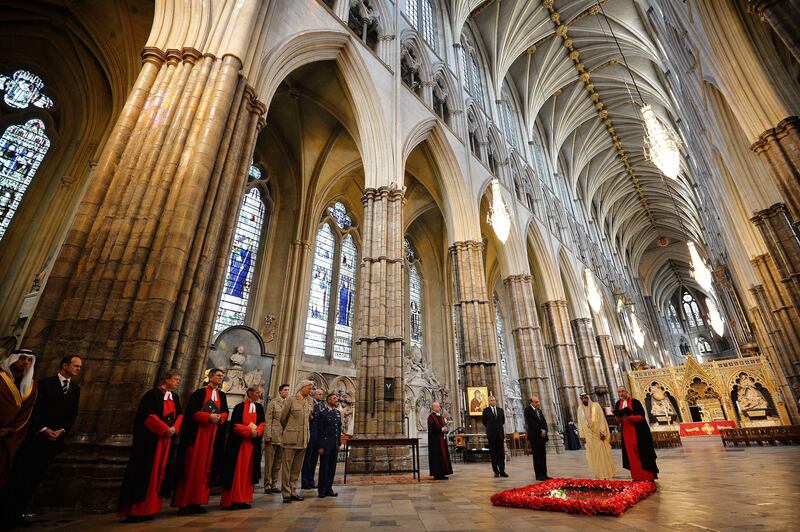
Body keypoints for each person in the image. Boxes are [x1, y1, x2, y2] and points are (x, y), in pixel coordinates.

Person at [6, 355, 81, 524]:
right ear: (65, 365)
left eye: (79, 367)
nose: (78, 369)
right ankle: (10, 511)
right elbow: (34, 409)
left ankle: (22, 510)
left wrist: (62, 430)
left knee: (37, 475)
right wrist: (44, 429)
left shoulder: (75, 389)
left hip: (56, 439)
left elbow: (72, 414)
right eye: (75, 365)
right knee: (23, 474)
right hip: (37, 437)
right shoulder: (45, 384)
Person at [117, 368, 183, 522]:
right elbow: (148, 416)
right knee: (146, 473)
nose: (177, 382)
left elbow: (180, 414)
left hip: (166, 441)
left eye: (179, 380)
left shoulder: (175, 397)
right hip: (151, 442)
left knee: (159, 474)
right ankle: (136, 511)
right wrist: (164, 429)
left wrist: (174, 428)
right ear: (166, 379)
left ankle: (150, 509)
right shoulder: (152, 395)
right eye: (175, 379)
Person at [172, 368, 229, 514]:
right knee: (191, 468)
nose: (220, 378)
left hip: (213, 437)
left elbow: (225, 412)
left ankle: (198, 501)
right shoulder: (200, 393)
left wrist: (220, 417)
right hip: (198, 437)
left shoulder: (222, 395)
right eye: (218, 375)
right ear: (210, 377)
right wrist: (207, 417)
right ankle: (184, 503)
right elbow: (191, 413)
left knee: (206, 469)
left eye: (222, 376)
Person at [220, 385, 265, 510]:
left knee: (248, 472)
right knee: (237, 471)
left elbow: (262, 423)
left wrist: (257, 432)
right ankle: (233, 499)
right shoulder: (239, 407)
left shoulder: (259, 408)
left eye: (259, 393)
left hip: (252, 445)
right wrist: (248, 432)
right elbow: (235, 425)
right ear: (250, 393)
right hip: (239, 445)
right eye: (257, 392)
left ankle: (244, 499)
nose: (258, 395)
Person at [0, 349, 37, 487]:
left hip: (10, 435)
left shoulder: (30, 385)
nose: (25, 363)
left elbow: (26, 412)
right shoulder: (1, 378)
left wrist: (11, 429)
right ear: (13, 359)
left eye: (29, 360)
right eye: (22, 358)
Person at [279, 379, 314, 503]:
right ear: (302, 387)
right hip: (291, 438)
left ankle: (294, 490)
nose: (310, 390)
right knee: (287, 467)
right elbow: (283, 418)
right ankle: (286, 493)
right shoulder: (291, 400)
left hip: (303, 439)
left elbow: (309, 418)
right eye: (309, 388)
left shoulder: (309, 401)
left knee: (296, 468)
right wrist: (290, 430)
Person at [614, 386, 658, 481]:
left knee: (642, 454)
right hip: (626, 433)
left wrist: (629, 417)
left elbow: (641, 416)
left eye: (622, 391)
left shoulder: (635, 402)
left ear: (627, 392)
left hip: (638, 432)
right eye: (619, 392)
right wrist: (617, 417)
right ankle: (636, 476)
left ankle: (647, 476)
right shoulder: (618, 404)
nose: (621, 393)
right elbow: (617, 420)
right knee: (631, 455)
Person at [577, 392, 615, 480]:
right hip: (588, 436)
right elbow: (580, 423)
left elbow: (602, 419)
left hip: (598, 434)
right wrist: (582, 435)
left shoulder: (596, 406)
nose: (584, 400)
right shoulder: (580, 409)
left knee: (602, 454)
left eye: (585, 398)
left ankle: (607, 472)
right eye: (582, 398)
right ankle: (599, 473)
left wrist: (603, 432)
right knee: (594, 455)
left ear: (588, 398)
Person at [263, 383, 289, 494]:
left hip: (283, 438)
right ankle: (267, 485)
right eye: (285, 390)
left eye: (288, 390)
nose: (287, 392)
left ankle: (274, 483)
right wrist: (267, 434)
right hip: (273, 435)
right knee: (269, 462)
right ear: (280, 391)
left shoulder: (288, 404)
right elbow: (268, 420)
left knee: (278, 463)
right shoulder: (273, 403)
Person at [315, 393, 342, 498]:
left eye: (336, 398)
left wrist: (338, 443)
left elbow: (338, 430)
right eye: (334, 398)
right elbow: (320, 431)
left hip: (334, 445)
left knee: (332, 468)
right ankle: (321, 490)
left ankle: (329, 488)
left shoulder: (337, 413)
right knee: (324, 468)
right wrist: (320, 446)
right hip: (325, 445)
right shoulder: (323, 414)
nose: (336, 400)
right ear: (329, 400)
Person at [301, 387, 325, 490]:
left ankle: (311, 480)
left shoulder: (322, 406)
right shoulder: (311, 404)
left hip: (318, 437)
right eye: (319, 394)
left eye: (322, 394)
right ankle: (305, 481)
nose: (321, 396)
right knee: (307, 459)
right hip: (310, 434)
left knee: (314, 460)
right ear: (314, 394)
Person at [524, 396, 550, 481]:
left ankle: (544, 474)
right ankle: (538, 475)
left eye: (538, 402)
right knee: (537, 456)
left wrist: (545, 430)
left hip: (542, 436)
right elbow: (531, 423)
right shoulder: (527, 410)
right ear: (531, 402)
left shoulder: (539, 410)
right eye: (536, 402)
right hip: (535, 436)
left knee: (543, 456)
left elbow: (544, 421)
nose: (538, 403)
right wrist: (540, 430)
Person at [481, 396, 507, 478]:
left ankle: (502, 471)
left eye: (494, 400)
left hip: (500, 434)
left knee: (501, 453)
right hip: (491, 435)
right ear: (489, 402)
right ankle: (496, 471)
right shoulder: (486, 411)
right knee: (494, 454)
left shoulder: (500, 410)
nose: (493, 402)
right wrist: (491, 427)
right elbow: (484, 422)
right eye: (491, 400)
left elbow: (503, 421)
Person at [426, 402, 452, 480]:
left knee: (443, 457)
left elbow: (443, 426)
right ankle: (437, 474)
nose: (439, 408)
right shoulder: (430, 417)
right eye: (437, 407)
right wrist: (441, 429)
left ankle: (443, 473)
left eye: (439, 407)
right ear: (433, 408)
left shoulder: (441, 417)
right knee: (437, 458)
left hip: (442, 440)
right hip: (435, 442)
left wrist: (445, 429)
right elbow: (431, 430)